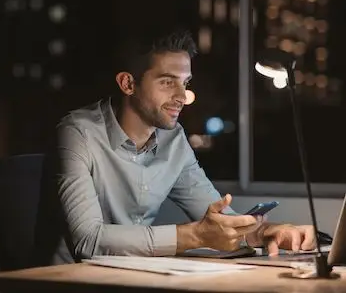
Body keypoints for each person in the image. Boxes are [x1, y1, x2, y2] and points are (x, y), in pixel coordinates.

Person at [33, 28, 316, 266]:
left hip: (134, 278)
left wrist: (267, 232)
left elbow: (218, 222)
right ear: (128, 83)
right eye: (168, 82)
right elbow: (88, 242)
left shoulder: (173, 140)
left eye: (185, 83)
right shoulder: (77, 133)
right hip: (68, 283)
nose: (182, 96)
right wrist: (196, 236)